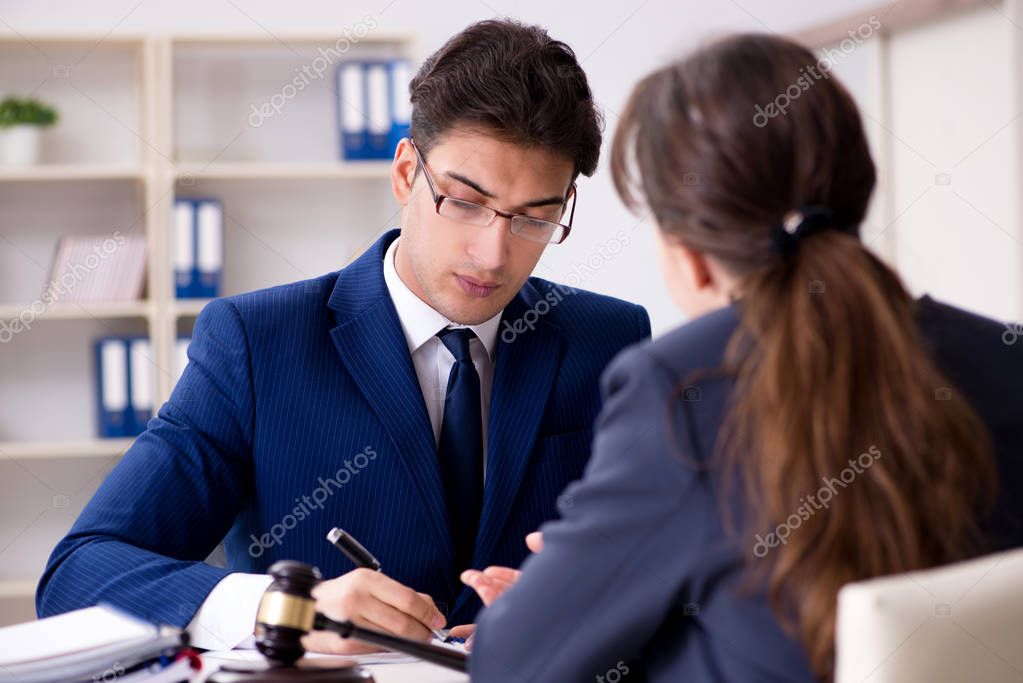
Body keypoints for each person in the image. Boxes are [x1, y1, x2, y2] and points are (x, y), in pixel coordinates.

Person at [36, 19, 651, 654]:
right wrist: (286, 607)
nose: (493, 254)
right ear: (407, 173)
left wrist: (599, 597)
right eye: (465, 202)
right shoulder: (256, 343)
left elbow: (676, 566)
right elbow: (80, 573)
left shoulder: (610, 340)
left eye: (534, 218)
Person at [465, 33, 1023, 681]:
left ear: (689, 254)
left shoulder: (681, 389)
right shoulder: (1003, 359)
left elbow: (513, 664)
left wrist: (569, 593)